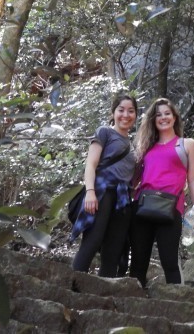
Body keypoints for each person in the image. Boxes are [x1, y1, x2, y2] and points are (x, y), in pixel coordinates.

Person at [129, 98, 194, 286]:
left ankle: (178, 304)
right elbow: (134, 180)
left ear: (175, 117)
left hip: (171, 208)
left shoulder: (187, 144)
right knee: (138, 261)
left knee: (169, 260)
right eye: (159, 115)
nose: (163, 118)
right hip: (142, 205)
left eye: (167, 113)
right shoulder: (145, 147)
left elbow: (193, 178)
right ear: (153, 120)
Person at [70, 93, 138, 277]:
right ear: (113, 112)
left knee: (113, 249)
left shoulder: (133, 146)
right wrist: (90, 192)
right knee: (93, 240)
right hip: (102, 192)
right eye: (121, 110)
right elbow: (91, 164)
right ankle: (72, 286)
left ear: (136, 115)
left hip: (122, 198)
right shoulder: (105, 132)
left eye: (131, 111)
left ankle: (104, 292)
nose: (126, 115)